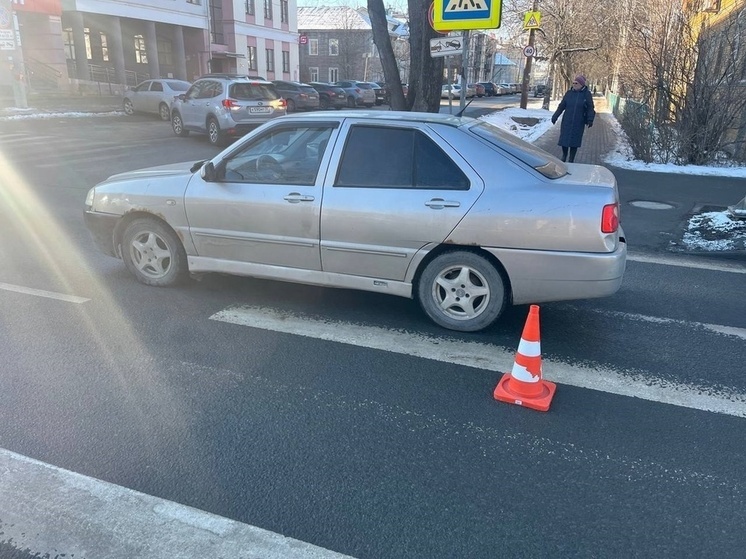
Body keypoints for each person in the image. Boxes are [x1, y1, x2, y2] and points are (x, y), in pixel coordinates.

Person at [550, 75, 595, 163]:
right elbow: (561, 106)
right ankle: (564, 155)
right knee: (564, 139)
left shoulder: (586, 94)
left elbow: (590, 107)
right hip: (567, 119)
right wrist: (555, 116)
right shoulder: (569, 93)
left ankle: (571, 159)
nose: (574, 84)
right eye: (573, 83)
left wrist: (590, 119)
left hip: (579, 121)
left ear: (581, 84)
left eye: (576, 83)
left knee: (575, 140)